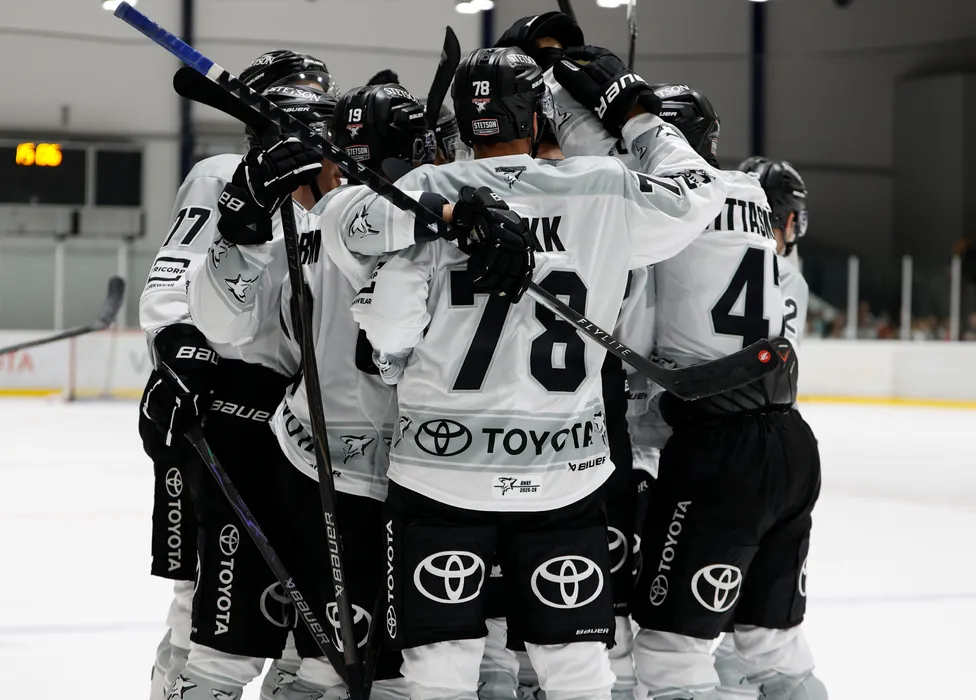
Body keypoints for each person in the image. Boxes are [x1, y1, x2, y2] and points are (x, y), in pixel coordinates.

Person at [340, 45, 726, 700]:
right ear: (541, 114)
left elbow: (345, 231)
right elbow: (700, 192)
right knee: (575, 670)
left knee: (439, 672)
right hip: (564, 474)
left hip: (440, 469)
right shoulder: (602, 189)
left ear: (463, 121)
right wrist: (634, 117)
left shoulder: (427, 192)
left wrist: (441, 219)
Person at [137, 49, 337, 700]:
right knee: (205, 607)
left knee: (294, 616)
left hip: (306, 422)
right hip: (228, 406)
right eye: (302, 99)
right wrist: (178, 343)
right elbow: (172, 277)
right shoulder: (223, 173)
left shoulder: (335, 188)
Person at [615, 87, 826, 700]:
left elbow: (633, 329)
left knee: (665, 653)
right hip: (784, 438)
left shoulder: (663, 211)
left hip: (706, 450)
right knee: (771, 648)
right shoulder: (750, 201)